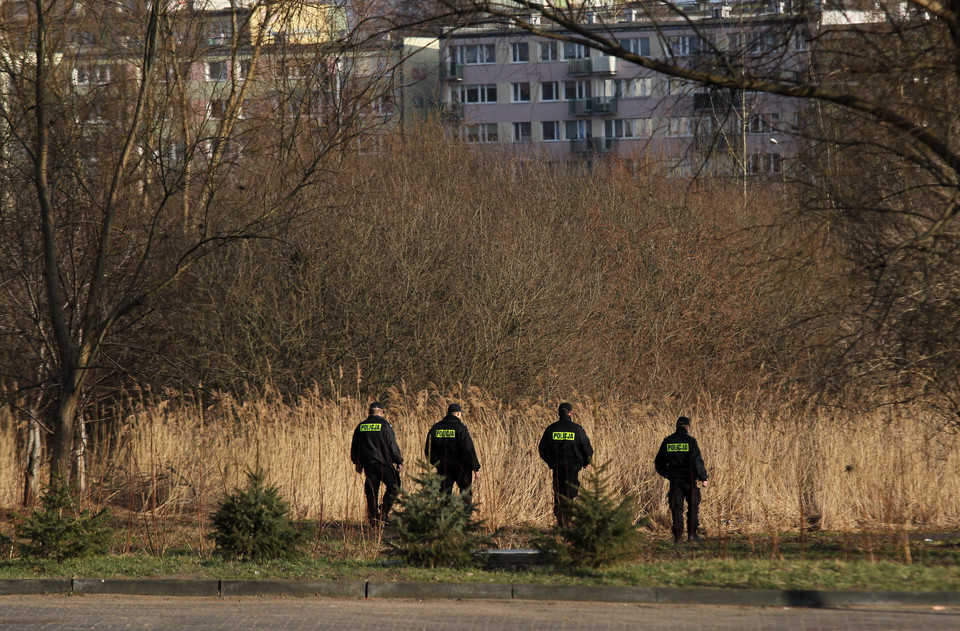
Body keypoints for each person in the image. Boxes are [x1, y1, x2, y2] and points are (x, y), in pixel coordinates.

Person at [654, 416, 709, 544]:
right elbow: (697, 461)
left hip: (675, 481)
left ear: (676, 426)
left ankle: (678, 538)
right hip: (689, 480)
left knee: (677, 508)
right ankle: (692, 535)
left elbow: (659, 462)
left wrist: (666, 474)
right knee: (693, 507)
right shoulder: (690, 441)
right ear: (687, 427)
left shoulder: (667, 442)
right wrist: (703, 477)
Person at [538, 402, 594, 527]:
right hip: (573, 468)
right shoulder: (578, 429)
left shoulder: (551, 429)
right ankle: (567, 523)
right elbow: (586, 448)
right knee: (570, 494)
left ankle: (561, 522)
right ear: (571, 413)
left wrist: (551, 462)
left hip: (557, 468)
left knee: (559, 494)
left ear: (558, 413)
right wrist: (586, 462)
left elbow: (542, 449)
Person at [350, 401, 403, 525]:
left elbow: (355, 446)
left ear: (369, 412)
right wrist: (398, 460)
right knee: (395, 484)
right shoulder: (385, 425)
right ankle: (384, 512)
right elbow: (392, 444)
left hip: (368, 464)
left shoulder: (361, 426)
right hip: (384, 463)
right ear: (382, 412)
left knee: (371, 491)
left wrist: (356, 462)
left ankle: (373, 518)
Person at [424, 403, 481, 495]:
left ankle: (445, 509)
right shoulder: (461, 428)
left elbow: (428, 449)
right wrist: (475, 467)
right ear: (458, 413)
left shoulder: (436, 427)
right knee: (465, 493)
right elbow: (468, 449)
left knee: (444, 495)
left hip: (443, 467)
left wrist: (436, 463)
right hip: (461, 467)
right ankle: (465, 509)